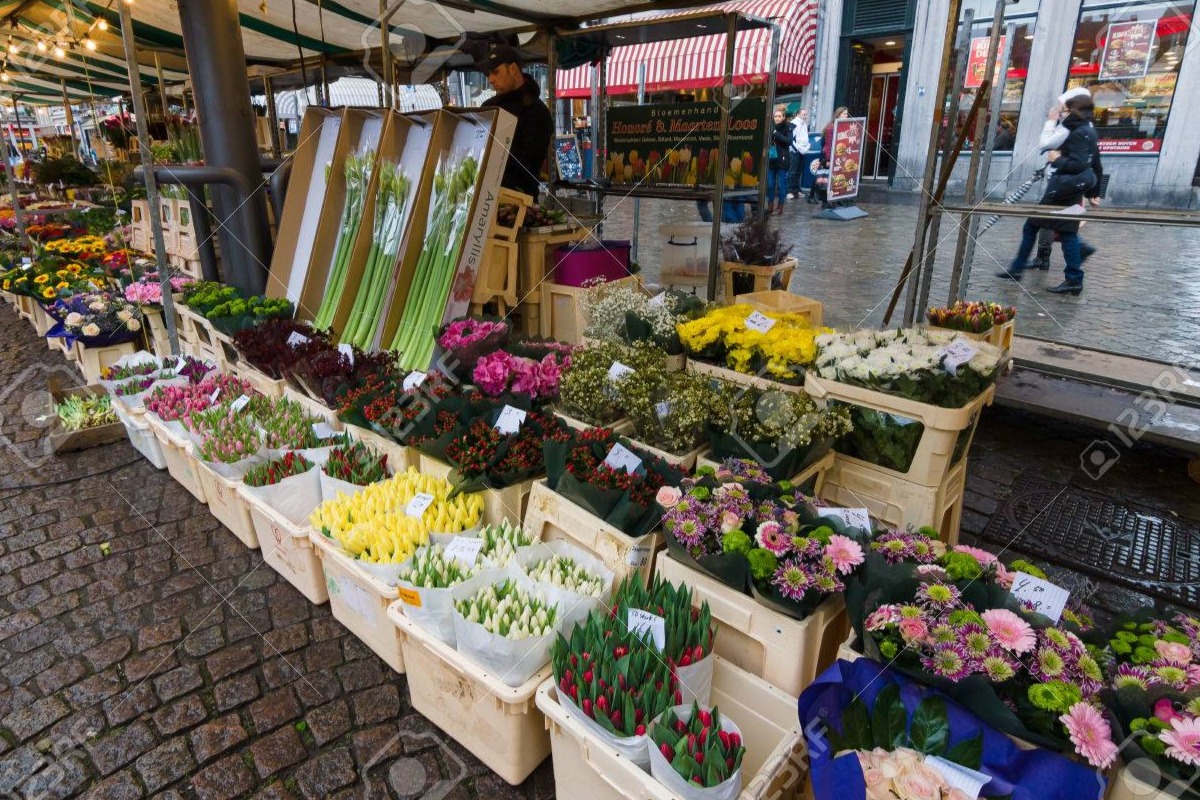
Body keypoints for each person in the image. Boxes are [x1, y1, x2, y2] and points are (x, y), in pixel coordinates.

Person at [997, 89, 1102, 295]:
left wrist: (1057, 159)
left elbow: (1078, 163)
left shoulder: (1076, 130)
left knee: (1033, 226)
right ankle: (1072, 278)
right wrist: (1093, 193)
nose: (1062, 114)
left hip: (1063, 188)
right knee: (1067, 232)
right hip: (1074, 188)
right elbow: (1095, 163)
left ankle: (1018, 269)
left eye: (1065, 110)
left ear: (1074, 110)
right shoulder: (1089, 130)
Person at [479, 44, 552, 199]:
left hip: (518, 201)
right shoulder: (488, 108)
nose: (490, 79)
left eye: (495, 72)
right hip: (483, 196)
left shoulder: (537, 112)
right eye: (488, 74)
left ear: (512, 69)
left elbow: (529, 164)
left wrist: (495, 151)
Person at [814, 107, 849, 208]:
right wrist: (829, 160)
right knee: (826, 179)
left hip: (837, 156)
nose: (846, 116)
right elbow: (829, 144)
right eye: (845, 114)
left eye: (847, 114)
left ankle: (833, 200)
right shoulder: (832, 127)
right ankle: (825, 201)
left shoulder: (841, 126)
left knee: (833, 179)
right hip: (830, 156)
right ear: (838, 115)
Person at [766, 105, 793, 215]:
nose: (777, 118)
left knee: (781, 185)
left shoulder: (788, 127)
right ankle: (770, 205)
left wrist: (775, 133)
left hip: (782, 160)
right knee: (770, 184)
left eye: (779, 116)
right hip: (771, 160)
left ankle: (780, 206)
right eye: (775, 116)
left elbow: (788, 141)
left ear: (783, 117)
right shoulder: (770, 127)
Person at [787, 108, 811, 199]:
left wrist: (807, 146)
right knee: (792, 171)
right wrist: (797, 149)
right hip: (795, 151)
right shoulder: (794, 123)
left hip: (803, 150)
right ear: (798, 114)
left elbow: (805, 136)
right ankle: (789, 191)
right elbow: (791, 139)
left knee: (799, 171)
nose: (805, 116)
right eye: (803, 114)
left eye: (806, 114)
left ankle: (796, 190)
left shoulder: (804, 124)